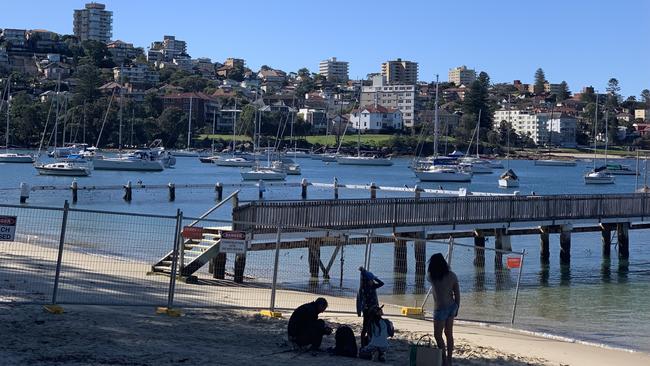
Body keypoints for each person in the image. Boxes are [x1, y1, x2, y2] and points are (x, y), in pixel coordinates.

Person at [428, 253, 460, 366]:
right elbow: (457, 294)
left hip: (440, 308)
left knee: (438, 335)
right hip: (452, 306)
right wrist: (457, 307)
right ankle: (449, 359)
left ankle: (444, 359)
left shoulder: (432, 276)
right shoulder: (452, 275)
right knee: (448, 333)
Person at [356, 266, 384, 347]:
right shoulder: (364, 289)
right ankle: (364, 344)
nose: (372, 281)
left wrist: (374, 277)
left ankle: (369, 342)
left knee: (370, 327)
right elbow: (360, 301)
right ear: (366, 281)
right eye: (370, 280)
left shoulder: (372, 286)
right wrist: (373, 277)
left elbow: (382, 283)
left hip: (374, 309)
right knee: (366, 327)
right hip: (368, 310)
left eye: (372, 280)